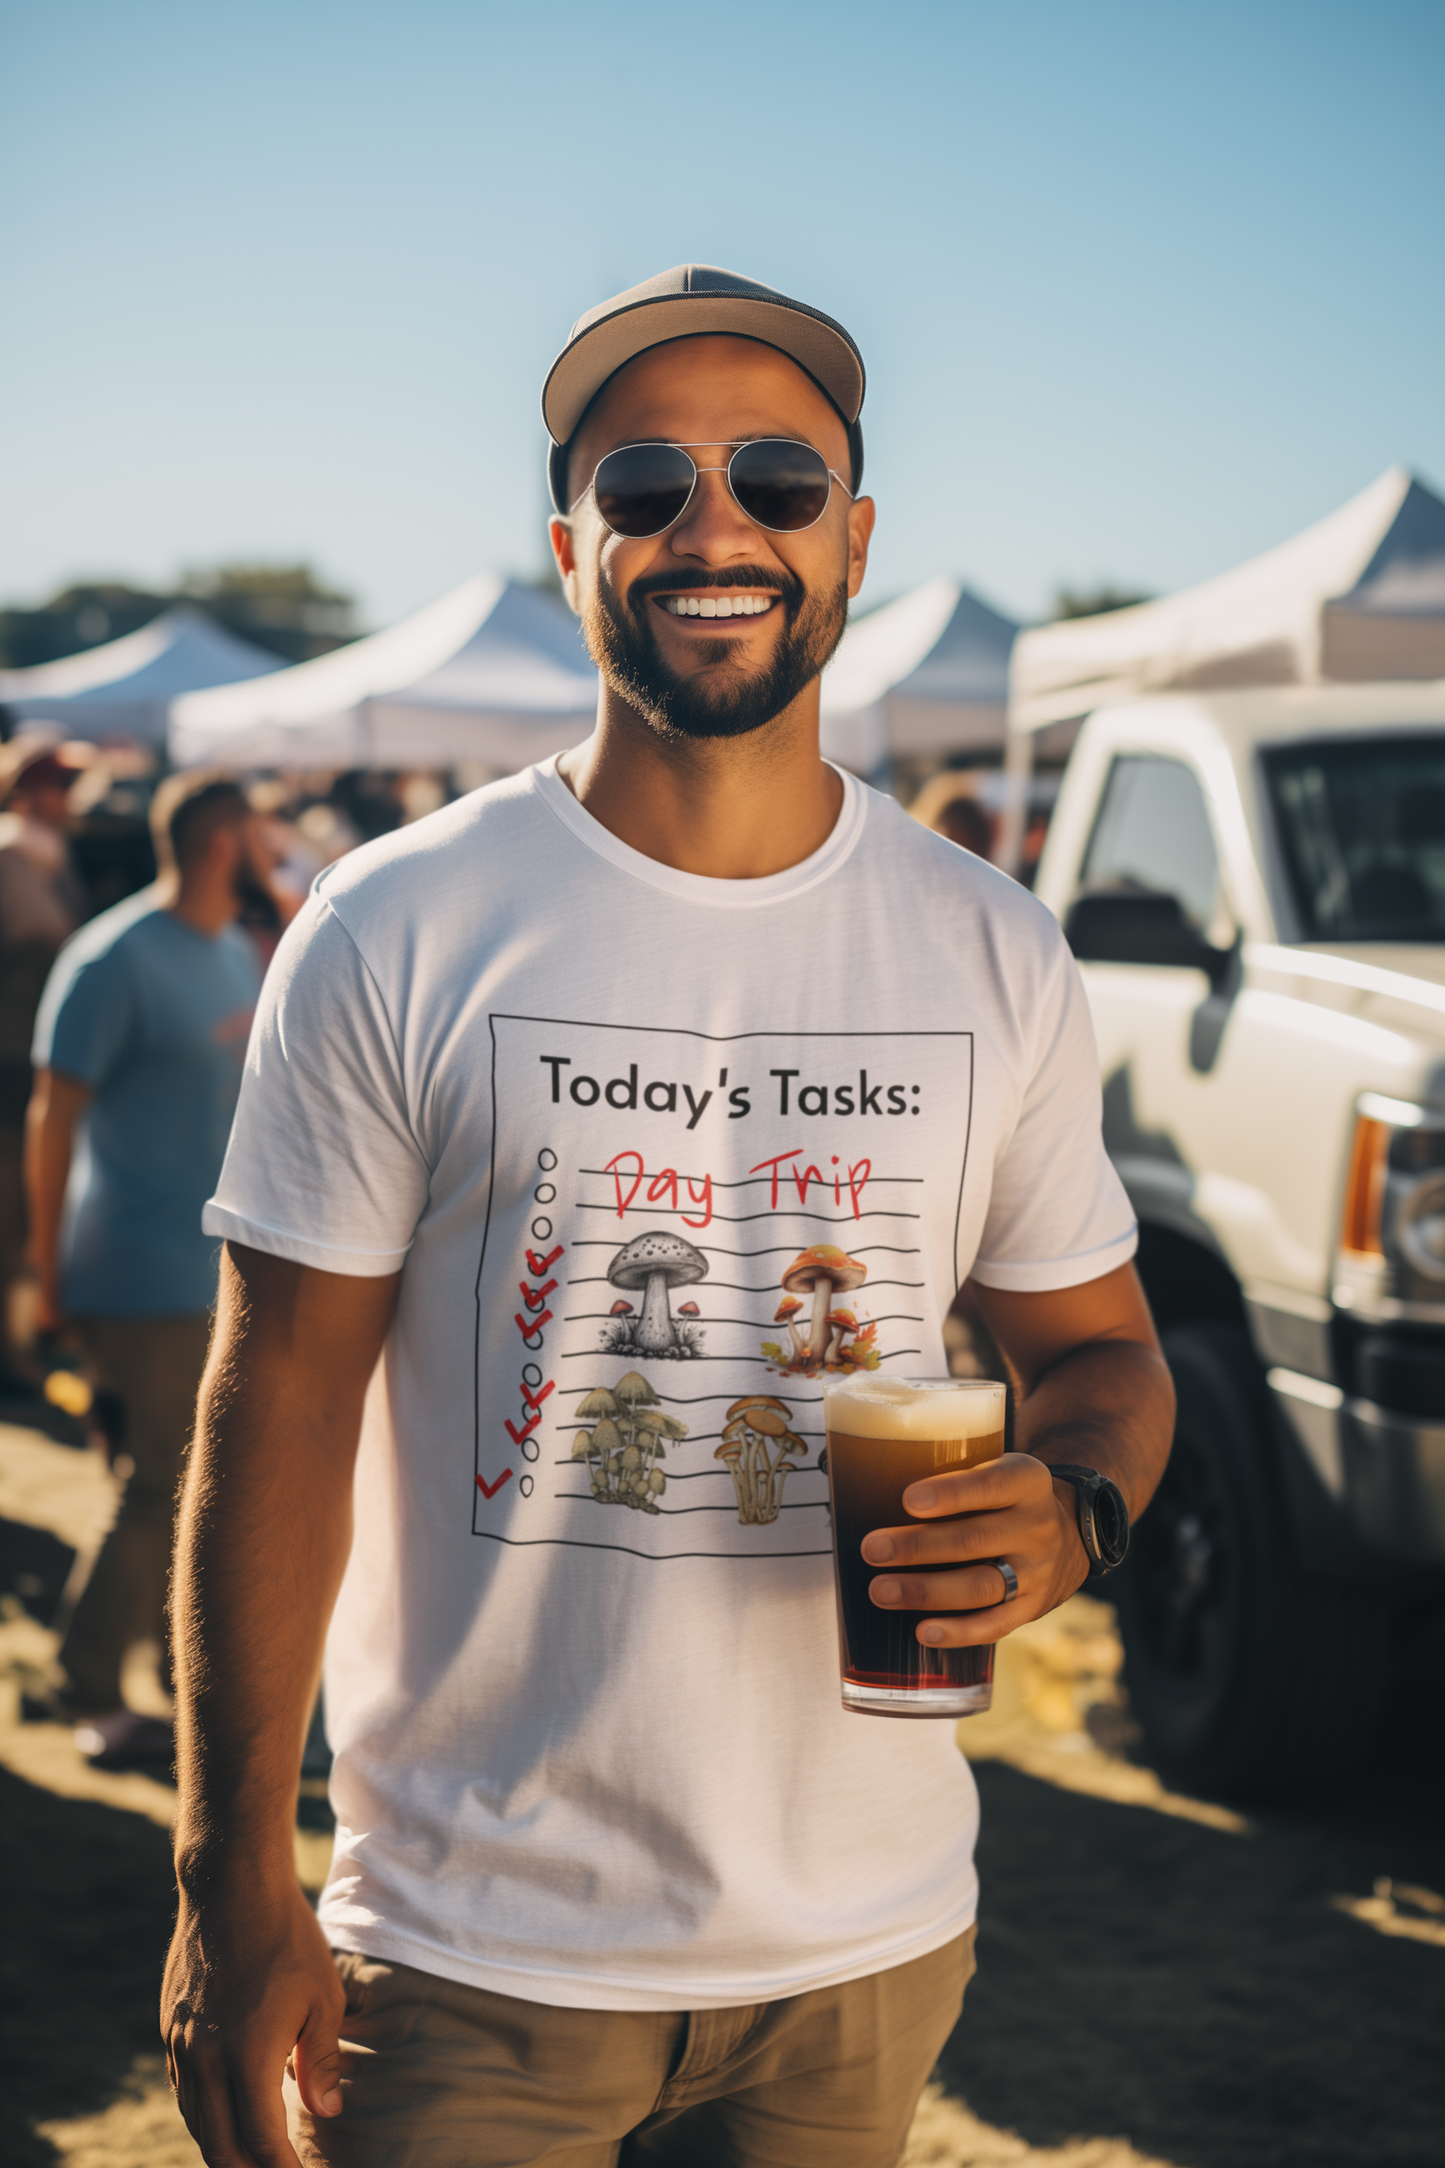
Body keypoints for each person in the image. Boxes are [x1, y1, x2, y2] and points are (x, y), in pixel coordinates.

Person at [163, 265, 1175, 2168]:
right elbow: (276, 1399)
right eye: (646, 486)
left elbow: (1102, 1350)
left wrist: (1077, 1505)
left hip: (867, 1949)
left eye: (779, 482)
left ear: (853, 539)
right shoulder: (397, 923)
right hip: (467, 1950)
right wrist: (231, 1877)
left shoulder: (991, 943)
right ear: (572, 549)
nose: (716, 528)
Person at [23, 774, 266, 1746]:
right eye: (257, 834)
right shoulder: (114, 956)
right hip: (134, 1266)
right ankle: (83, 1684)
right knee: (160, 1483)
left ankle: (178, 1676)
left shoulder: (229, 952)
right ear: (223, 844)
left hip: (218, 1264)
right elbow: (53, 1114)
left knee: (204, 1483)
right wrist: (46, 1272)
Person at [0, 737, 90, 1391]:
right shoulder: (11, 858)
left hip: (30, 1063)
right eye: (58, 787)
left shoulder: (49, 859)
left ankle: (20, 1345)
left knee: (25, 1212)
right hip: (8, 1064)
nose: (69, 800)